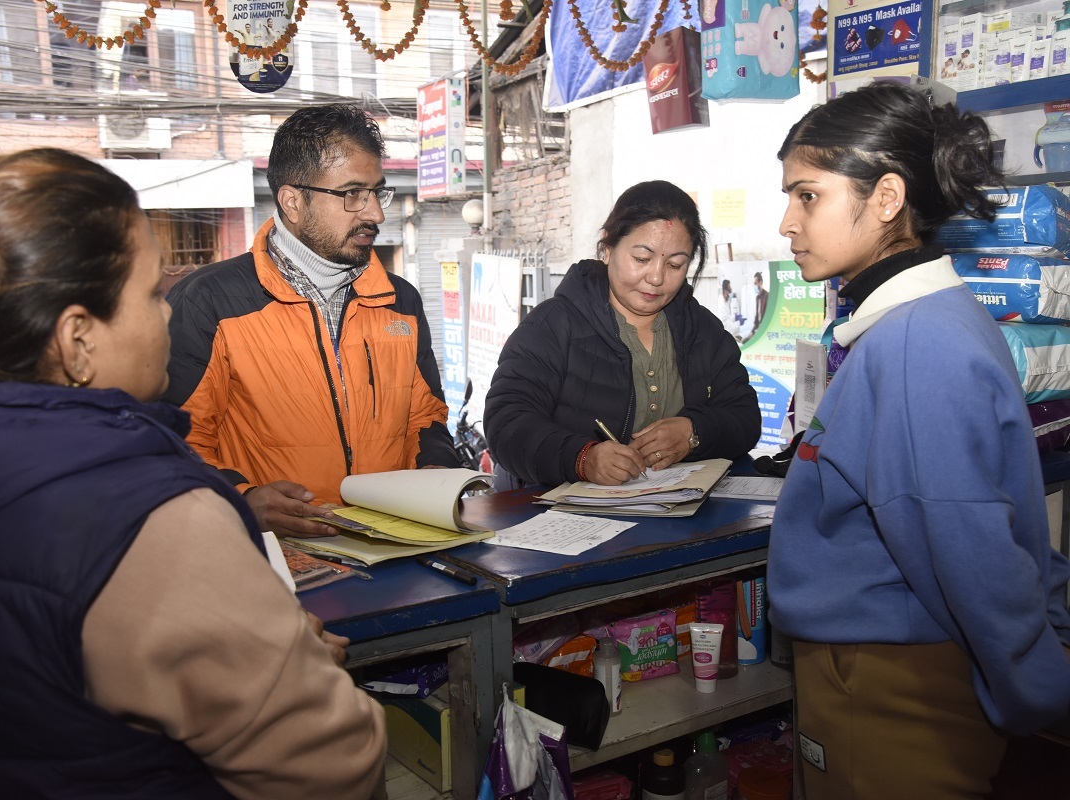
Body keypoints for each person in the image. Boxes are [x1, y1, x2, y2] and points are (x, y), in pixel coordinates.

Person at [0, 149, 386, 799]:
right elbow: (331, 768)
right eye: (150, 292)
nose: (169, 312)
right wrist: (293, 663)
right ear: (77, 339)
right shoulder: (151, 521)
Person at [766, 82, 1070, 799]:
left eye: (807, 196)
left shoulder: (913, 347)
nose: (787, 222)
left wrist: (1035, 685)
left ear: (886, 197)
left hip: (887, 690)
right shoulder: (934, 318)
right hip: (901, 669)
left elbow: (972, 551)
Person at [166, 104, 459, 536]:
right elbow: (173, 440)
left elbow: (426, 418)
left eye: (378, 192)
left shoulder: (401, 301)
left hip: (396, 544)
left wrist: (439, 477)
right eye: (352, 194)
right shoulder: (210, 301)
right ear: (292, 201)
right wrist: (242, 500)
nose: (375, 213)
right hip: (275, 557)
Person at [483, 180, 760, 489]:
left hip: (674, 514)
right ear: (608, 248)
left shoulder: (702, 330)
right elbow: (505, 423)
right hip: (569, 521)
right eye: (641, 258)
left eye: (675, 264)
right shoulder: (553, 325)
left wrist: (694, 432)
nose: (656, 277)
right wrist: (581, 459)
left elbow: (745, 417)